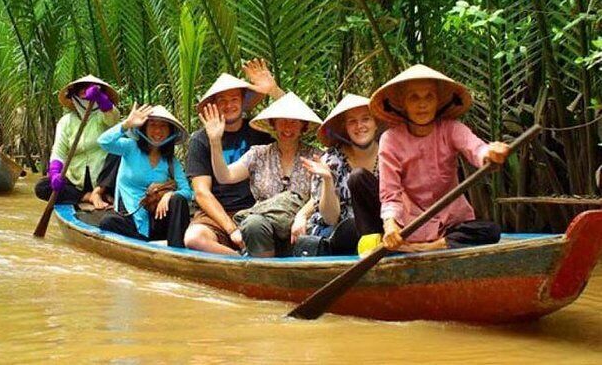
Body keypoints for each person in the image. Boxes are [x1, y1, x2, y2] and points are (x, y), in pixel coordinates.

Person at [368, 64, 509, 252]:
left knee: (491, 231)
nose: (422, 104)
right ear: (403, 104)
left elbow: (477, 149)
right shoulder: (390, 139)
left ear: (438, 102)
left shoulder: (451, 129)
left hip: (451, 223)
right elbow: (390, 192)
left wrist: (490, 153)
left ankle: (430, 248)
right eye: (414, 97)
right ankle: (413, 244)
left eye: (429, 97)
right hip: (413, 225)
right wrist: (390, 225)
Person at [200, 92, 322, 257]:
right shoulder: (259, 154)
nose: (287, 127)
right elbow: (225, 176)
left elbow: (321, 195)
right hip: (265, 230)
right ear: (274, 124)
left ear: (303, 126)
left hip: (301, 228)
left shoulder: (316, 156)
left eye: (294, 122)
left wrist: (302, 216)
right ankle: (263, 272)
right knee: (253, 224)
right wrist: (215, 142)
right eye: (282, 121)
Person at [184, 59, 285, 255]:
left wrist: (274, 91)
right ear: (214, 106)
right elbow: (202, 193)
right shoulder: (200, 139)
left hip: (257, 209)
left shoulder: (260, 132)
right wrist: (231, 229)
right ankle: (243, 261)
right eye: (222, 101)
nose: (229, 105)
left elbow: (294, 126)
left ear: (242, 101)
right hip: (216, 214)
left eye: (234, 99)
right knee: (194, 238)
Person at [296, 94, 382, 254]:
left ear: (376, 123)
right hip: (341, 235)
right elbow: (330, 218)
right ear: (345, 128)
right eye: (352, 121)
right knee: (351, 229)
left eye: (366, 119)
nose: (359, 126)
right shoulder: (331, 160)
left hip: (383, 229)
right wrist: (328, 180)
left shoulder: (390, 152)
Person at [97, 104, 192, 246]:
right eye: (152, 125)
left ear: (170, 131)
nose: (158, 131)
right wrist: (126, 124)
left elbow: (188, 192)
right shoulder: (130, 147)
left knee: (178, 199)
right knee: (107, 222)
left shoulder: (171, 162)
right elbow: (104, 142)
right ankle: (145, 243)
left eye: (163, 126)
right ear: (144, 128)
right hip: (130, 216)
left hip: (157, 218)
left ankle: (176, 249)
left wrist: (168, 195)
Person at [34, 75, 120, 208]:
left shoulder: (102, 116)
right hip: (76, 181)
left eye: (88, 91)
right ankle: (86, 197)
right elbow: (59, 152)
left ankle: (100, 193)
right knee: (42, 187)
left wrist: (99, 98)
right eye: (82, 91)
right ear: (74, 96)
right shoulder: (66, 122)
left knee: (118, 156)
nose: (85, 95)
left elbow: (113, 116)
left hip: (104, 180)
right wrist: (55, 173)